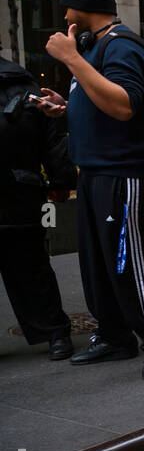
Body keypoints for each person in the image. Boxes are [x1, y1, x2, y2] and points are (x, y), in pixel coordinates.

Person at [36, 0, 144, 381]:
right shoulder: (96, 47)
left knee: (132, 261)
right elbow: (102, 100)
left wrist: (71, 59)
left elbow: (123, 105)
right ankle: (116, 336)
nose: (63, 12)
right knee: (99, 265)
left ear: (84, 5)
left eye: (67, 3)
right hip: (97, 173)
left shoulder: (121, 47)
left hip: (127, 174)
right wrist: (67, 105)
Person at [1, 56, 76, 360]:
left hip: (19, 191)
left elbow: (50, 140)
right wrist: (59, 180)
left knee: (32, 266)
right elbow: (52, 141)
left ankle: (56, 331)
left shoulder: (24, 88)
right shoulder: (25, 86)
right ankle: (55, 332)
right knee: (33, 267)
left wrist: (59, 181)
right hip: (22, 189)